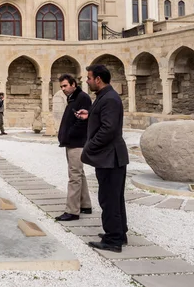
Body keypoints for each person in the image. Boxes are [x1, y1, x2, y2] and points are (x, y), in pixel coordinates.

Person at [75, 65, 129, 253]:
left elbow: (109, 129)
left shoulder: (110, 99)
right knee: (114, 197)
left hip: (110, 157)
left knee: (109, 198)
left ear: (98, 79)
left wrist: (90, 146)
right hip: (109, 156)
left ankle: (113, 239)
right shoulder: (106, 97)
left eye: (89, 78)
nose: (87, 81)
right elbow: (105, 120)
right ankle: (119, 233)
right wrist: (90, 116)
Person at [55, 74, 92, 222]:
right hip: (72, 141)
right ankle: (85, 204)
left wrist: (70, 134)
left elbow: (83, 121)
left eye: (65, 85)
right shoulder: (73, 98)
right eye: (61, 86)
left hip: (76, 142)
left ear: (73, 84)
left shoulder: (82, 97)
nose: (63, 89)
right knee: (79, 173)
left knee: (74, 176)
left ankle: (72, 211)